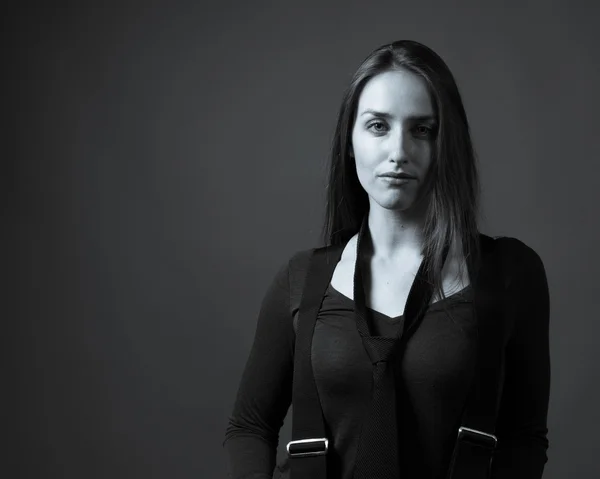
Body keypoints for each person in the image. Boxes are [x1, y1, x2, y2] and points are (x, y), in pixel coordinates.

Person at [222, 40, 550, 479]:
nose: (399, 151)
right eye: (378, 126)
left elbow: (523, 437)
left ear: (445, 144)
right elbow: (249, 426)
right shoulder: (301, 280)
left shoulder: (509, 274)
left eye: (422, 130)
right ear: (350, 142)